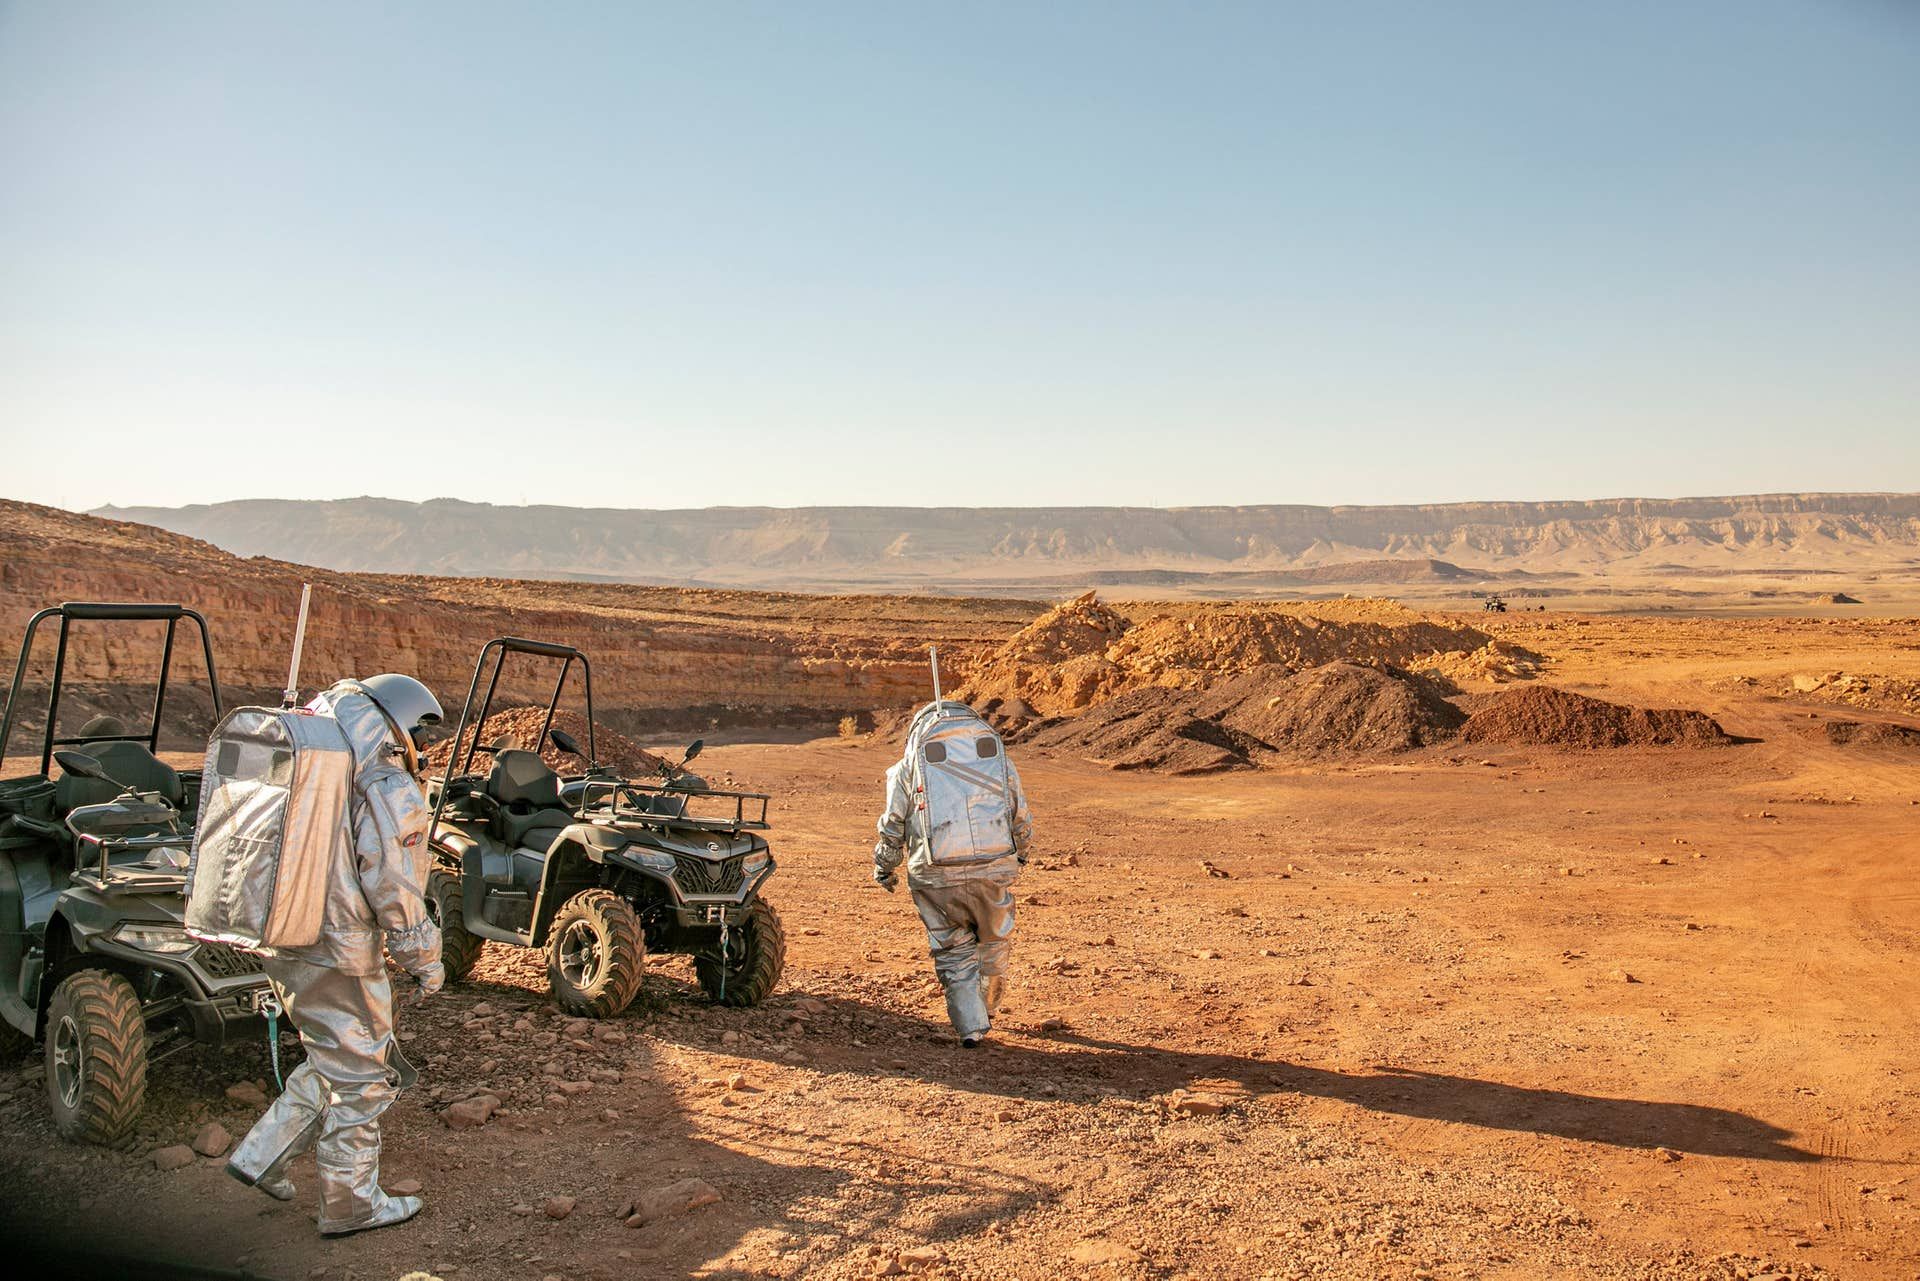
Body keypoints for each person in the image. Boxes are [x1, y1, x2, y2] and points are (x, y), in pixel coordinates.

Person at [225, 673, 445, 1236]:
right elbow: (393, 879)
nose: (422, 742)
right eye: (421, 732)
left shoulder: (311, 748)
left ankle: (261, 1157)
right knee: (365, 1076)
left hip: (279, 930)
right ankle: (351, 1204)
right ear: (398, 722)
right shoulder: (381, 779)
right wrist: (424, 956)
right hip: (340, 947)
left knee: (332, 1057)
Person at [871, 699, 1033, 1047]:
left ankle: (970, 1028)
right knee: (993, 940)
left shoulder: (904, 769)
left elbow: (893, 824)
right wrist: (1021, 853)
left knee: (952, 950)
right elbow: (1018, 812)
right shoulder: (996, 763)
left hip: (934, 875)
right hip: (992, 867)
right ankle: (988, 1003)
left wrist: (884, 866)